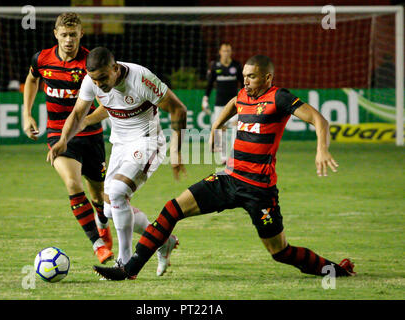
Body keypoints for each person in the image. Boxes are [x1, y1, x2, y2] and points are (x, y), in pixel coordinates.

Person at [93, 55, 356, 281]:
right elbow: (234, 102)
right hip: (229, 179)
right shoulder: (244, 94)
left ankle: (336, 270)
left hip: (259, 191)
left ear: (268, 77)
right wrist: (217, 125)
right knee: (172, 209)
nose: (246, 82)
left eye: (252, 77)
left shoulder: (280, 97)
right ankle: (129, 269)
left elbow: (319, 120)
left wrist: (322, 148)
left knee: (280, 252)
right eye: (244, 76)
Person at [23, 14, 164, 272]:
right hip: (60, 134)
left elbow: (106, 105)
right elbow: (32, 79)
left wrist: (86, 121)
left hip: (92, 138)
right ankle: (99, 243)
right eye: (64, 35)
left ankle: (114, 225)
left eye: (73, 35)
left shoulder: (92, 65)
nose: (68, 40)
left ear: (81, 34)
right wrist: (27, 113)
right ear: (55, 34)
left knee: (104, 201)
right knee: (72, 183)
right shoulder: (42, 59)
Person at [47, 46, 188, 276]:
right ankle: (163, 240)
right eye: (95, 79)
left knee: (119, 191)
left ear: (115, 68)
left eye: (103, 78)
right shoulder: (91, 81)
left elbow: (178, 109)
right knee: (110, 209)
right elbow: (78, 113)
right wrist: (64, 140)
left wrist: (177, 151)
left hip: (147, 142)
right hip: (120, 145)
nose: (99, 84)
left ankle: (124, 263)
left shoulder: (141, 78)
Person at [202, 43, 243, 165]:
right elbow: (209, 84)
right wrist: (205, 99)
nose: (226, 53)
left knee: (236, 128)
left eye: (228, 51)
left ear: (231, 52)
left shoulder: (236, 65)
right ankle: (224, 157)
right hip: (220, 104)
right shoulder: (215, 66)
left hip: (235, 104)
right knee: (222, 130)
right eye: (224, 51)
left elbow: (243, 83)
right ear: (220, 52)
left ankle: (233, 155)